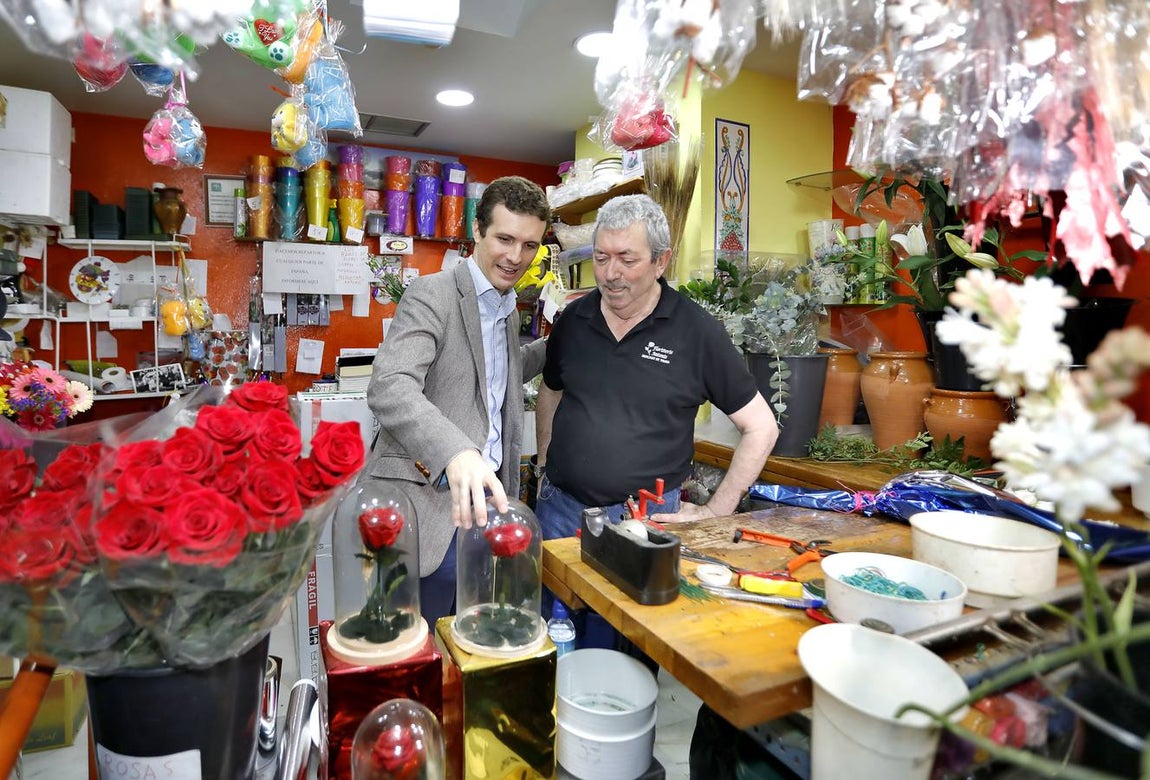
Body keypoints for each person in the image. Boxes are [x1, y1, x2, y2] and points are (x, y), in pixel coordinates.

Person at [365, 175, 551, 627]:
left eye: (529, 245)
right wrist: (457, 452)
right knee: (410, 653)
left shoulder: (504, 309)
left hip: (483, 513)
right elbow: (389, 385)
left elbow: (491, 376)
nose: (515, 257)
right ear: (477, 231)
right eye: (505, 239)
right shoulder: (432, 293)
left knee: (465, 648)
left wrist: (560, 343)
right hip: (426, 515)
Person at [534, 193, 778, 537]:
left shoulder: (697, 331)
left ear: (660, 261)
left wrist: (716, 511)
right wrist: (543, 462)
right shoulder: (574, 318)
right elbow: (551, 387)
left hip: (645, 520)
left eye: (627, 260)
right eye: (601, 258)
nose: (610, 273)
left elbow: (762, 428)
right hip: (559, 511)